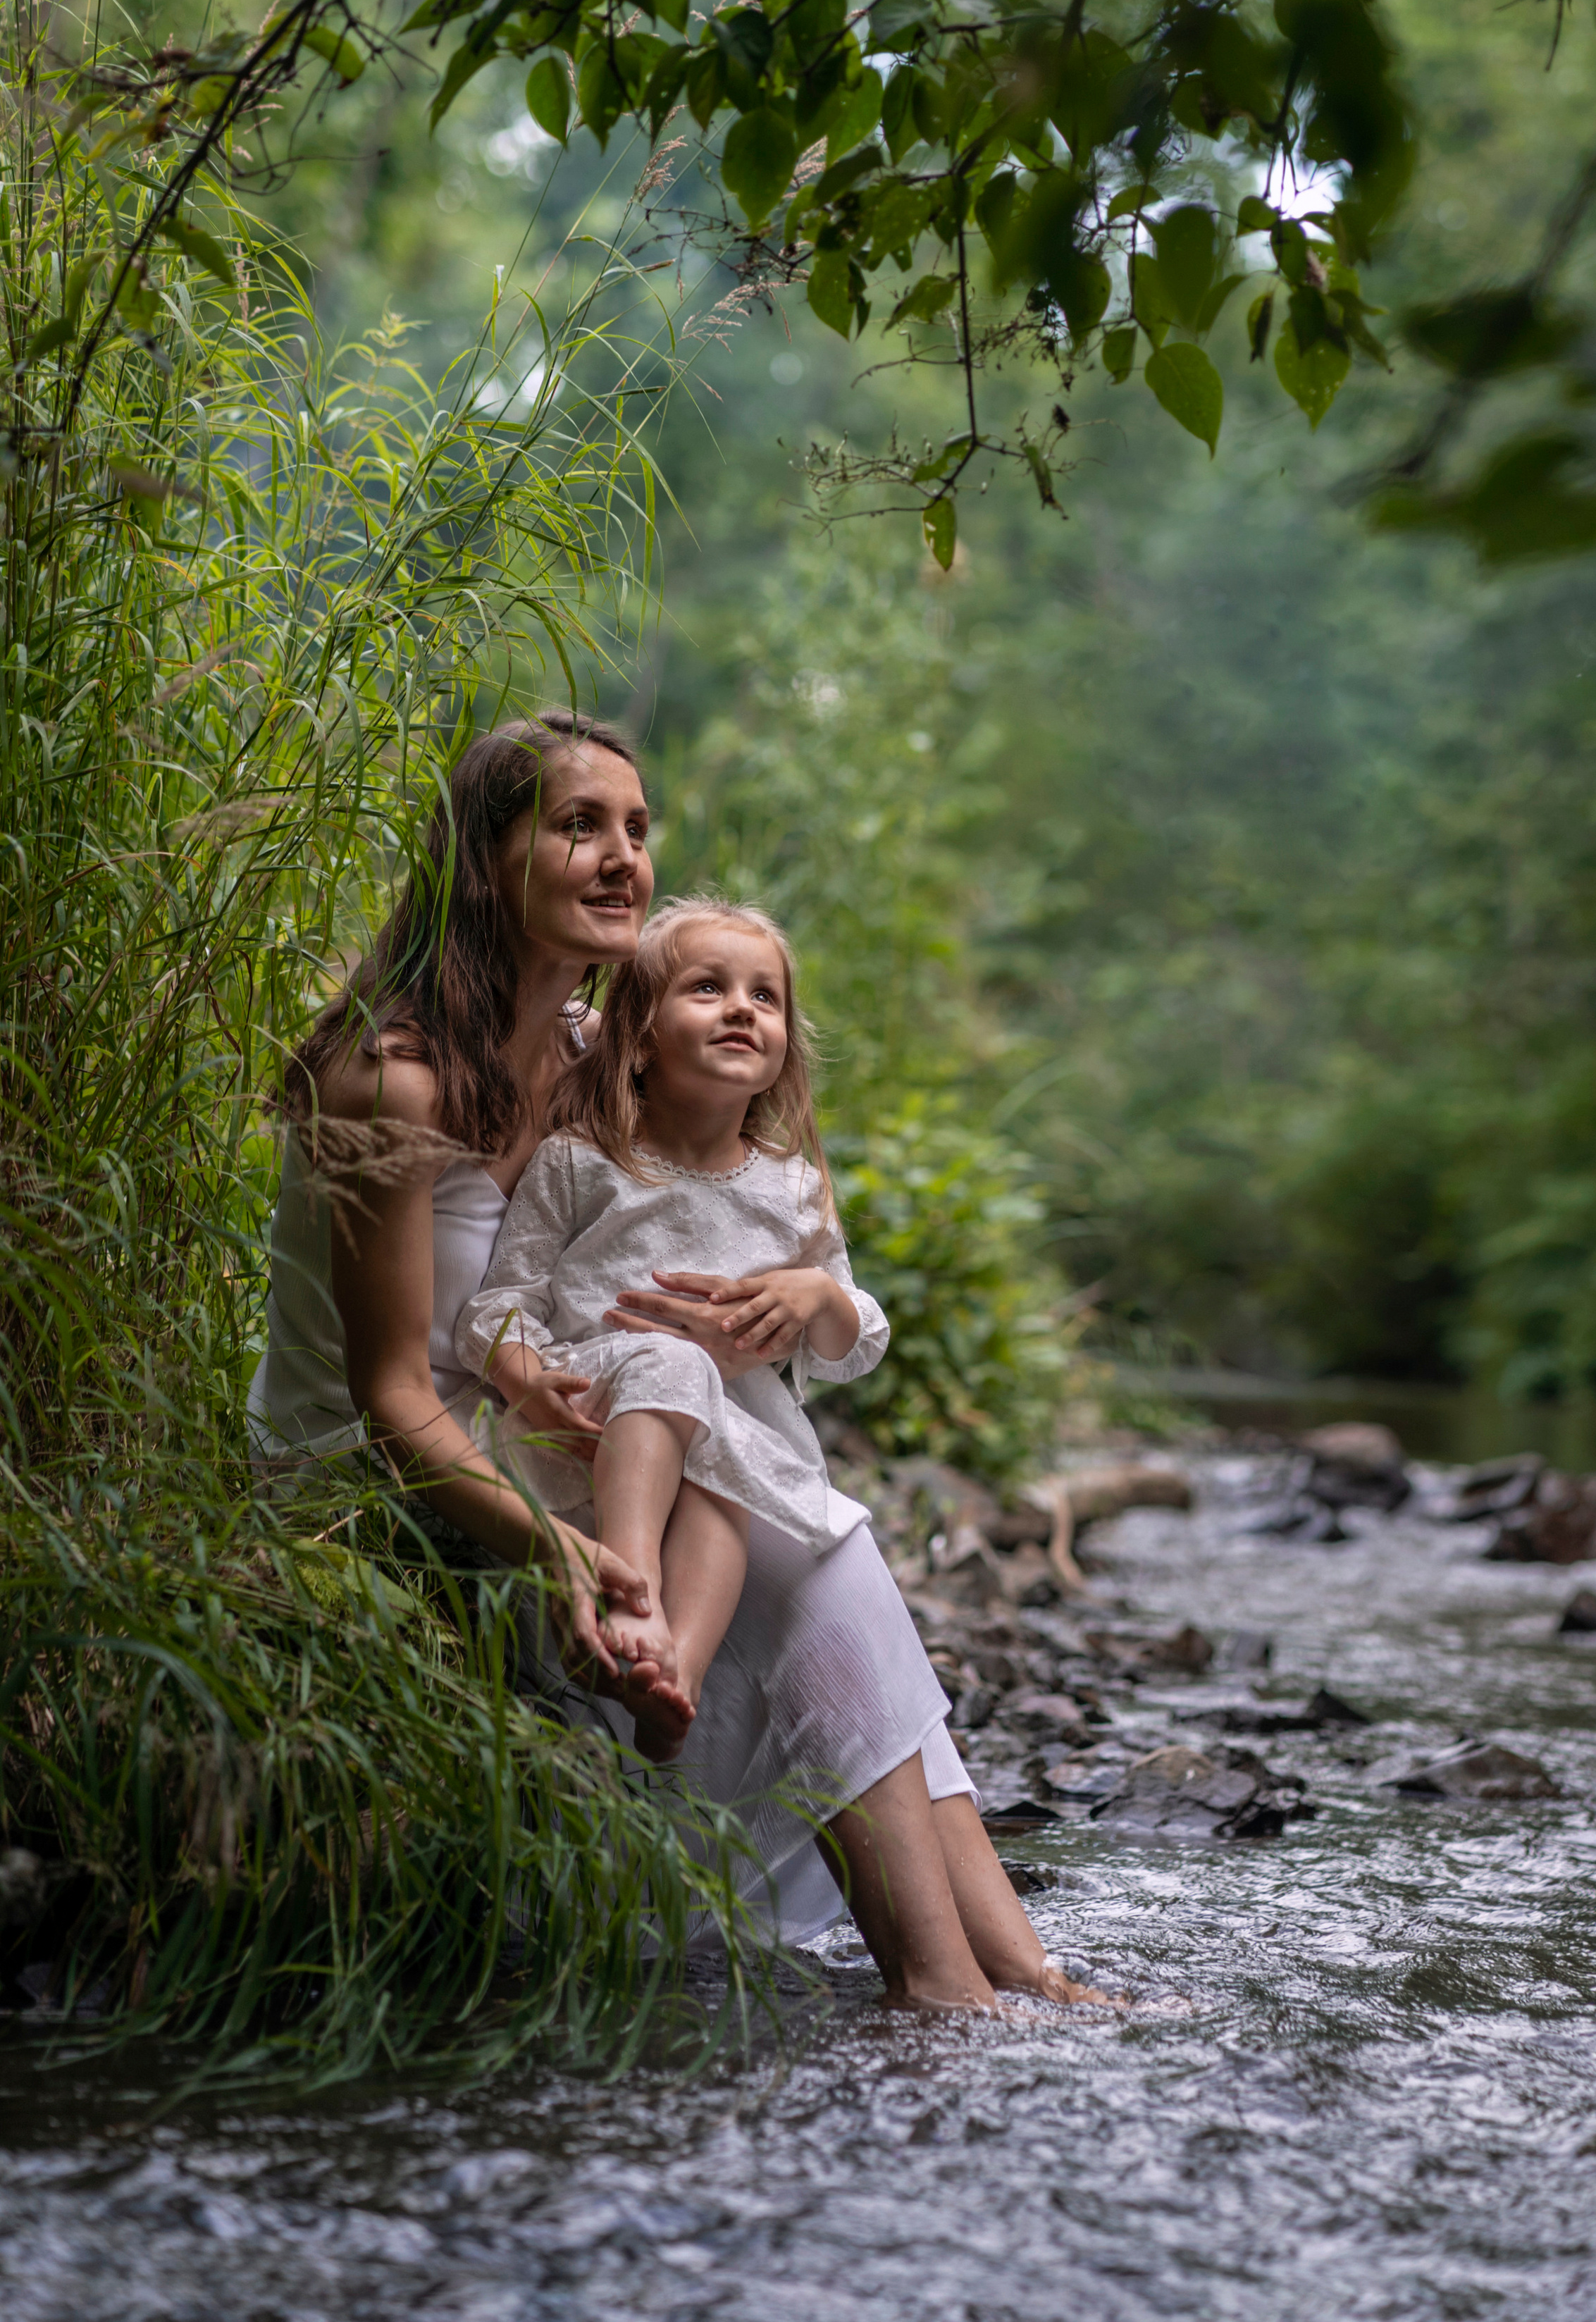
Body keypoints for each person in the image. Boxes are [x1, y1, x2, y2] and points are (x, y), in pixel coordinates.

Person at [250, 710, 1096, 2010]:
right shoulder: (392, 1079)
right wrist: (553, 1548)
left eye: (637, 829)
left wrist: (791, 1293)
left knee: (813, 1543)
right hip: (393, 1485)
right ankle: (959, 1988)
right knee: (797, 1559)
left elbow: (711, 1195)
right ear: (487, 860)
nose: (619, 856)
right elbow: (385, 1403)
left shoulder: (597, 1056)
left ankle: (1007, 1979)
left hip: (569, 1423)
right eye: (577, 825)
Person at [456, 897, 887, 1764]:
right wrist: (520, 1375)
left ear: (781, 1054)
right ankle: (630, 1593)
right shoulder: (583, 1161)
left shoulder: (792, 1188)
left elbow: (857, 1339)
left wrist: (814, 1298)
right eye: (708, 988)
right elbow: (496, 1304)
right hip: (590, 1432)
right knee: (671, 1361)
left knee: (723, 1461)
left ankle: (672, 1677)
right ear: (642, 1037)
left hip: (719, 1453)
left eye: (765, 998)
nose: (742, 1008)